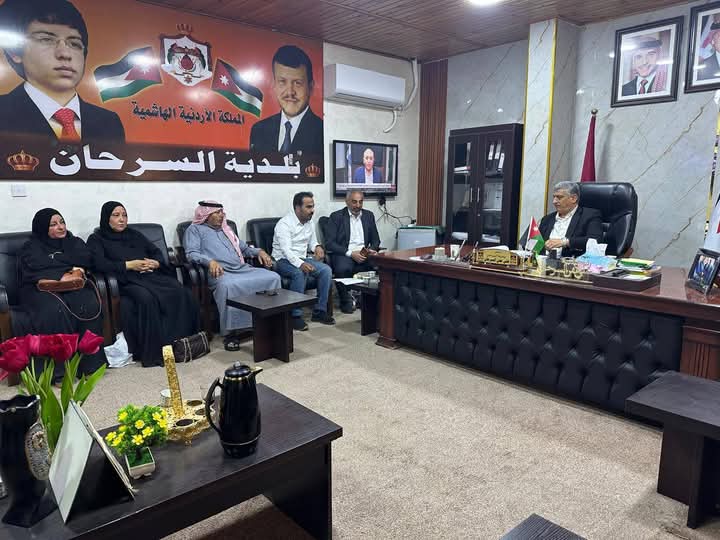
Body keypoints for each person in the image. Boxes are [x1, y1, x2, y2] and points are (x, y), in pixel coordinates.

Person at [87, 202, 200, 367]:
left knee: (180, 291)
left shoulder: (134, 234)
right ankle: (156, 351)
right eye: (116, 215)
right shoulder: (97, 239)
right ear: (106, 218)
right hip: (124, 281)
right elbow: (98, 264)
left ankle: (182, 342)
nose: (122, 219)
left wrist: (156, 263)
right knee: (146, 298)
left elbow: (155, 252)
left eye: (124, 215)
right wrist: (128, 265)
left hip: (149, 276)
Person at [0, 0, 125, 143]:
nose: (65, 54)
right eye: (46, 40)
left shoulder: (109, 122)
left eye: (74, 44)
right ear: (14, 52)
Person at [19, 208, 107, 382]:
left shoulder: (74, 242)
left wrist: (68, 267)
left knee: (88, 303)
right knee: (54, 310)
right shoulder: (31, 247)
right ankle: (59, 372)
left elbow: (86, 259)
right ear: (42, 227)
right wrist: (67, 270)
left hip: (71, 286)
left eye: (62, 222)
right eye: (53, 224)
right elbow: (34, 268)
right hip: (40, 290)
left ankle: (90, 366)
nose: (60, 227)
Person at [184, 200, 280, 351]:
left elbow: (245, 249)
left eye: (222, 212)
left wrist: (259, 251)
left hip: (242, 269)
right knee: (227, 286)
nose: (221, 215)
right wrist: (210, 261)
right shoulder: (195, 230)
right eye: (217, 213)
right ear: (206, 215)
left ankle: (269, 323)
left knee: (273, 277)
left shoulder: (226, 229)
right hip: (220, 272)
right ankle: (231, 333)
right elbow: (191, 253)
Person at [272, 192, 334, 330]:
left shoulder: (309, 222)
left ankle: (319, 311)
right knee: (299, 273)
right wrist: (301, 264)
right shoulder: (284, 224)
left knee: (326, 270)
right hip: (282, 260)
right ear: (297, 208)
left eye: (313, 206)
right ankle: (295, 316)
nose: (312, 210)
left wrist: (317, 247)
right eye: (308, 207)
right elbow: (286, 251)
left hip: (302, 257)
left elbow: (312, 242)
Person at [249, 45, 323, 157]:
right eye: (282, 82)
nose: (290, 92)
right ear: (274, 85)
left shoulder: (321, 130)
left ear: (311, 87)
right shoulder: (259, 130)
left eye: (298, 83)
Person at [324, 190, 381, 313]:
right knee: (343, 268)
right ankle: (346, 300)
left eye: (360, 202)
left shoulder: (368, 215)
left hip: (364, 253)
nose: (358, 205)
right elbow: (329, 243)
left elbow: (376, 240)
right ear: (347, 202)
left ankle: (369, 299)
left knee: (381, 265)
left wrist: (372, 250)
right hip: (345, 253)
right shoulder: (336, 217)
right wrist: (351, 253)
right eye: (354, 202)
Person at [537, 181, 603, 258]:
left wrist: (565, 242)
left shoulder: (589, 215)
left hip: (572, 262)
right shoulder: (547, 219)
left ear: (573, 198)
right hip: (543, 261)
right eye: (554, 197)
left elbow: (595, 240)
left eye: (559, 197)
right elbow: (535, 244)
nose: (554, 201)